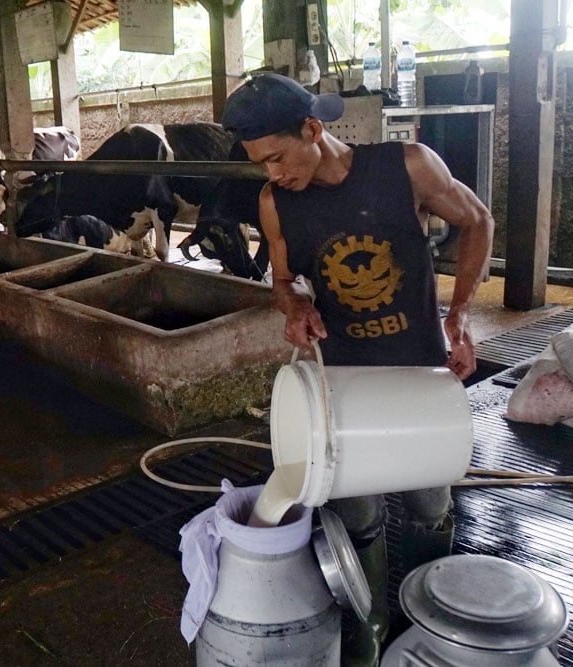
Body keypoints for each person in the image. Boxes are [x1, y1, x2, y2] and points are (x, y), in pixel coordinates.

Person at [221, 72, 494, 666]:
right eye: (260, 164)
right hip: (341, 379)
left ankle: (429, 614)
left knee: (428, 500)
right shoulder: (276, 202)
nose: (272, 174)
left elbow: (477, 221)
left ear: (313, 129)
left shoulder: (409, 166)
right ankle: (371, 622)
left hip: (418, 367)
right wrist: (295, 309)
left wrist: (462, 313)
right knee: (358, 508)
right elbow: (283, 280)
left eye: (277, 157)